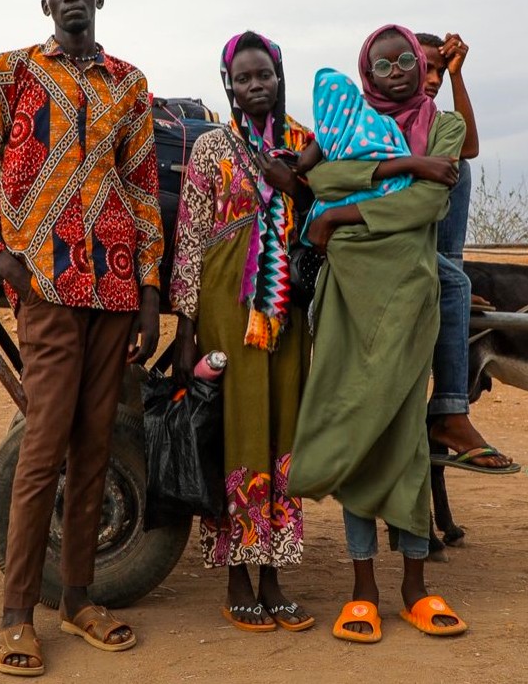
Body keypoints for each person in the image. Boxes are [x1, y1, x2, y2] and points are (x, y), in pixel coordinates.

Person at [0, 0, 162, 676]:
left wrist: (149, 292)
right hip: (43, 287)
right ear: (45, 5)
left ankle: (78, 599)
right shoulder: (10, 73)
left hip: (111, 291)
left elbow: (141, 189)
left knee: (96, 444)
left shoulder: (129, 85)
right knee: (43, 447)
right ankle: (17, 616)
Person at [289, 24, 469, 643]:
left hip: (408, 291)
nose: (395, 71)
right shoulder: (348, 120)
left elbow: (428, 204)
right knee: (356, 421)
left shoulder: (442, 127)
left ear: (422, 65)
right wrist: (404, 168)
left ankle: (415, 588)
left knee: (403, 435)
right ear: (365, 71)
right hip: (347, 289)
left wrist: (342, 213)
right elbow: (318, 180)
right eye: (381, 62)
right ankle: (362, 590)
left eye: (405, 61)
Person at [170, 31, 315, 634]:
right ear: (228, 83)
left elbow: (319, 213)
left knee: (282, 427)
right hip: (226, 305)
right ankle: (236, 576)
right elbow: (191, 236)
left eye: (265, 76)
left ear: (280, 77)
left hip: (286, 309)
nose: (256, 86)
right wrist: (186, 328)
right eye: (244, 78)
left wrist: (298, 182)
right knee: (235, 430)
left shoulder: (305, 144)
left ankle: (276, 575)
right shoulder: (212, 148)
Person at [416, 31, 519, 476]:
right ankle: (451, 412)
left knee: (463, 169)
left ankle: (448, 276)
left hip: (424, 250)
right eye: (429, 68)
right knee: (457, 286)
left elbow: (470, 147)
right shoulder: (378, 121)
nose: (435, 78)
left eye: (441, 70)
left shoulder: (435, 121)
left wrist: (460, 77)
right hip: (384, 242)